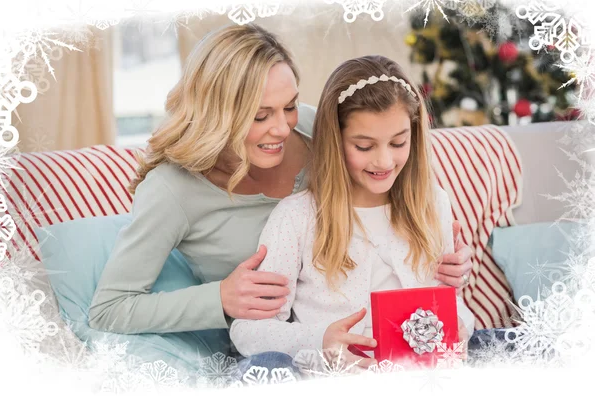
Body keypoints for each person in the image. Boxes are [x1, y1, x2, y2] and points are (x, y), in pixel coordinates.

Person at [88, 24, 473, 366]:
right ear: (216, 113)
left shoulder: (313, 129)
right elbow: (110, 309)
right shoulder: (172, 190)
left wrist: (448, 261)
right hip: (273, 350)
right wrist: (219, 298)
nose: (282, 128)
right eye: (260, 116)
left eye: (288, 106)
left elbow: (390, 163)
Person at [229, 55, 475, 370]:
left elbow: (453, 307)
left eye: (398, 142)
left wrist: (460, 329)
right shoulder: (296, 218)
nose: (384, 162)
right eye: (364, 147)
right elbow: (247, 331)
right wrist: (321, 340)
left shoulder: (432, 204)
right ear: (335, 141)